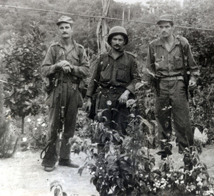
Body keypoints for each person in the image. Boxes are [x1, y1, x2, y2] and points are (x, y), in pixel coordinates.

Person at [145, 14, 199, 153]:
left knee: (183, 122)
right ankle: (165, 162)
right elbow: (149, 68)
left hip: (178, 84)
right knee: (162, 122)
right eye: (161, 27)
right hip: (161, 86)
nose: (164, 30)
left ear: (172, 28)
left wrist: (193, 79)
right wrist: (149, 84)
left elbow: (193, 66)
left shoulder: (182, 43)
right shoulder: (153, 45)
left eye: (167, 27)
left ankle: (188, 160)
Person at [41, 16, 89, 172]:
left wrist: (72, 68)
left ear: (72, 29)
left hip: (73, 90)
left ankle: (65, 158)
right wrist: (58, 66)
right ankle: (49, 160)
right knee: (53, 125)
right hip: (57, 89)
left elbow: (86, 70)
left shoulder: (80, 49)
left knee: (70, 125)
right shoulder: (53, 49)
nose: (64, 30)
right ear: (58, 30)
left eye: (67, 27)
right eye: (61, 27)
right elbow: (44, 69)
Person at [86, 26, 140, 135]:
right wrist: (89, 98)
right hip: (104, 98)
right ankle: (101, 152)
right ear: (110, 41)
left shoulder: (130, 59)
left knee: (120, 131)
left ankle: (118, 151)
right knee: (101, 129)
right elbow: (94, 79)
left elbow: (136, 79)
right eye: (114, 39)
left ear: (124, 42)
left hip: (121, 100)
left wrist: (126, 93)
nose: (117, 42)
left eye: (120, 40)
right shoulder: (102, 58)